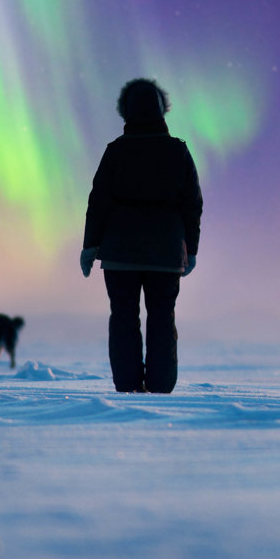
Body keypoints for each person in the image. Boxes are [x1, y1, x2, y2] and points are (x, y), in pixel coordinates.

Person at [80, 78, 203, 393]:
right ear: (162, 110)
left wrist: (90, 246)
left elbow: (98, 202)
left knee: (123, 317)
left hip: (120, 253)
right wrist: (191, 250)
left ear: (126, 112)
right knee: (162, 317)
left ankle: (128, 385)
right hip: (165, 253)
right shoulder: (178, 152)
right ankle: (161, 386)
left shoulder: (115, 152)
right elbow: (192, 205)